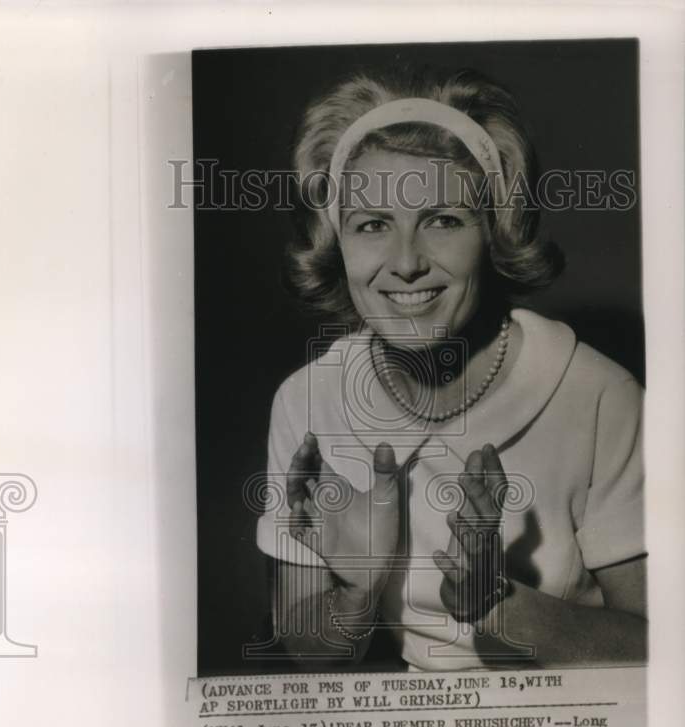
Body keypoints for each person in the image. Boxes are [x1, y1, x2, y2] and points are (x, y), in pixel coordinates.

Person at [255, 68, 646, 671]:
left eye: (442, 220)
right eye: (372, 225)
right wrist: (356, 589)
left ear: (493, 232)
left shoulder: (600, 396)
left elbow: (664, 653)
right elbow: (307, 646)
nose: (406, 263)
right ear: (338, 244)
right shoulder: (308, 400)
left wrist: (498, 606)